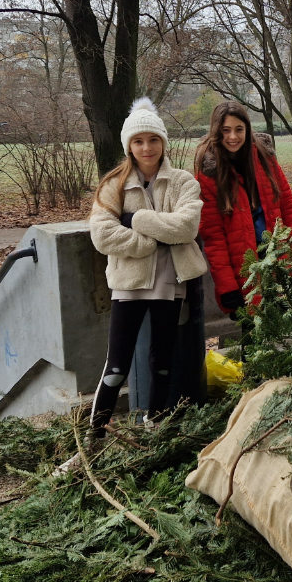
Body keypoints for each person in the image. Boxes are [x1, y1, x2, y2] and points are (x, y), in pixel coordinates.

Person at [85, 98, 207, 443]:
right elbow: (102, 233)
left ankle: (153, 432)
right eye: (138, 141)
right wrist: (149, 243)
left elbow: (186, 228)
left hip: (171, 285)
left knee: (162, 362)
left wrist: (136, 219)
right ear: (129, 146)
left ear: (163, 142)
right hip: (130, 284)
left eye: (153, 140)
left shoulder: (183, 182)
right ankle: (94, 436)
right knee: (117, 365)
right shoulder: (114, 184)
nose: (146, 147)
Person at [195, 100, 292, 319]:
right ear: (217, 132)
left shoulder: (264, 157)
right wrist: (227, 287)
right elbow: (214, 237)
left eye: (238, 129)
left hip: (279, 260)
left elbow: (288, 208)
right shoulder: (209, 172)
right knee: (256, 340)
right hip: (244, 270)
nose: (233, 137)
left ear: (247, 129)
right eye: (226, 131)